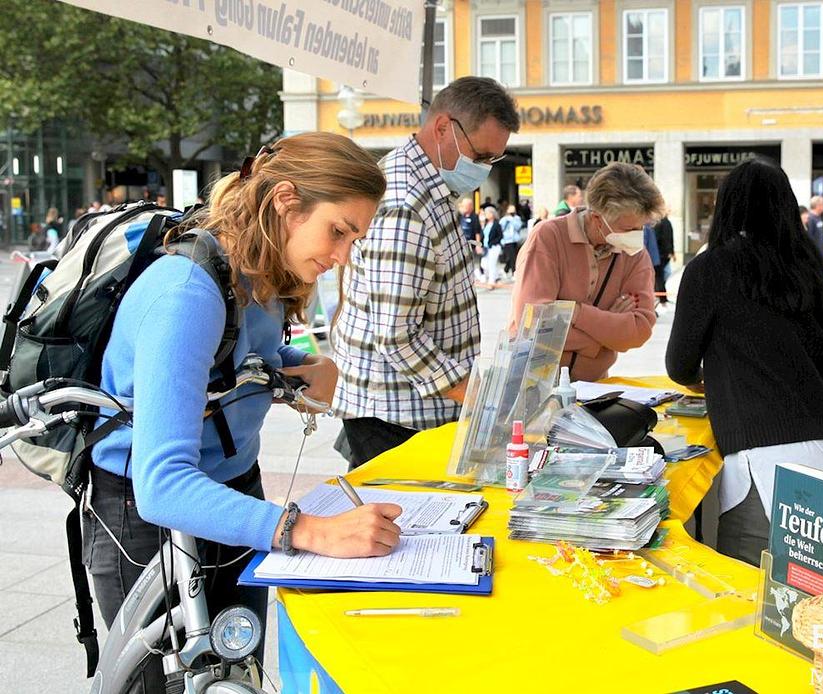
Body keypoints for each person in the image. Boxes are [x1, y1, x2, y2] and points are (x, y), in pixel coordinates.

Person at [85, 132, 402, 690]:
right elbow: (163, 486)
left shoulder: (261, 273)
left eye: (355, 239)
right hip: (145, 522)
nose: (343, 257)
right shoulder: (186, 292)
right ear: (285, 201)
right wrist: (311, 532)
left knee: (237, 671)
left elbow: (244, 355)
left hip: (234, 493)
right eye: (339, 232)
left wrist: (306, 365)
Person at [665, 158, 823, 567]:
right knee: (821, 597)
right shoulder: (808, 268)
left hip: (762, 468)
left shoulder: (711, 268)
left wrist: (710, 378)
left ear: (726, 207)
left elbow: (679, 365)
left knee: (755, 606)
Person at [332, 76, 520, 468]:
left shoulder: (429, 183)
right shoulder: (405, 203)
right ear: (442, 128)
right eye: (481, 156)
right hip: (395, 416)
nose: (484, 169)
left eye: (492, 160)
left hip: (413, 407)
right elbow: (397, 335)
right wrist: (473, 392)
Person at [510, 162, 661, 381]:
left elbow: (639, 330)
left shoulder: (635, 254)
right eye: (629, 229)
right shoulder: (548, 237)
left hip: (593, 387)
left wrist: (576, 312)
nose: (637, 236)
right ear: (597, 218)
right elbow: (533, 323)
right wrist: (605, 334)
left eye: (642, 227)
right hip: (530, 383)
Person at [652, 211, 675, 307]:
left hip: (662, 254)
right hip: (661, 254)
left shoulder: (663, 223)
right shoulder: (662, 223)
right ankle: (661, 297)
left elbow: (667, 238)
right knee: (660, 276)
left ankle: (661, 297)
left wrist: (670, 251)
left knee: (661, 276)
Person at [480, 206, 503, 286]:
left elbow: (500, 236)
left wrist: (493, 243)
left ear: (492, 214)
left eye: (487, 213)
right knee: (484, 264)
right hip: (486, 247)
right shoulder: (486, 224)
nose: (486, 215)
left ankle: (491, 280)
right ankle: (497, 277)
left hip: (494, 247)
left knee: (492, 264)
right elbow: (482, 235)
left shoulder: (497, 224)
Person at [499, 204, 523, 277]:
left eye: (514, 210)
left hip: (515, 239)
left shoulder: (517, 218)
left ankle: (505, 270)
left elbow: (518, 227)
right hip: (507, 240)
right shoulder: (504, 219)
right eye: (511, 210)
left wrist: (512, 220)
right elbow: (501, 229)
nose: (512, 212)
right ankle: (514, 272)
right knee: (512, 257)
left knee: (512, 256)